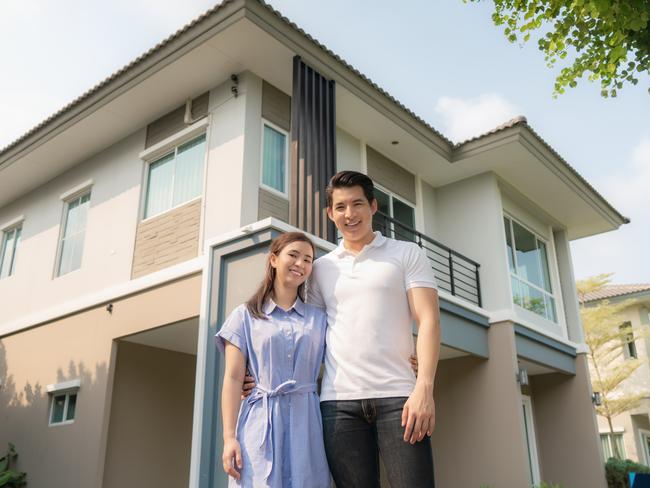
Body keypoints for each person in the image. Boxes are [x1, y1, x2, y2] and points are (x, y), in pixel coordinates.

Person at [309, 170, 440, 488]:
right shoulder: (321, 268)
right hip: (339, 405)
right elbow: (306, 334)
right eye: (340, 207)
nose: (349, 214)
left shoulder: (406, 254)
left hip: (400, 399)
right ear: (330, 214)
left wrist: (424, 389)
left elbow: (429, 320)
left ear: (373, 206)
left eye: (357, 204)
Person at [215, 232, 330, 487]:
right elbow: (233, 378)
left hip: (307, 423)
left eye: (308, 259)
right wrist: (229, 438)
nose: (300, 263)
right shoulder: (244, 316)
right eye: (293, 255)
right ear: (274, 259)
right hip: (259, 423)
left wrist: (409, 359)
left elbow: (346, 353)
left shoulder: (319, 319)